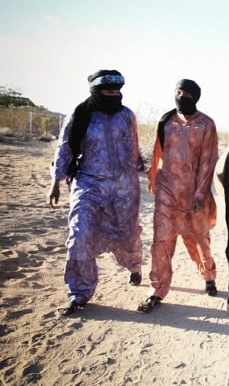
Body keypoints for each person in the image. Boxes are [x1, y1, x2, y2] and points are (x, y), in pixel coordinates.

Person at [48, 69, 144, 316]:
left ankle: (133, 266)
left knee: (127, 233)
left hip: (124, 186)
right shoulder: (80, 115)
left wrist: (138, 173)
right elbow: (65, 148)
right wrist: (56, 181)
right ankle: (78, 293)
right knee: (79, 235)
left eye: (118, 92)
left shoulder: (127, 116)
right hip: (89, 183)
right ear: (96, 92)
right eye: (109, 92)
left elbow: (133, 149)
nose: (114, 96)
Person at [137, 79, 219, 313]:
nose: (181, 97)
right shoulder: (167, 121)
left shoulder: (206, 124)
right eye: (177, 92)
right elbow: (157, 152)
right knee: (161, 240)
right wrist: (153, 178)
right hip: (167, 192)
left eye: (186, 94)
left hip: (194, 194)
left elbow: (208, 161)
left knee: (199, 238)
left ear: (195, 98)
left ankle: (209, 275)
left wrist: (201, 192)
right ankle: (157, 289)